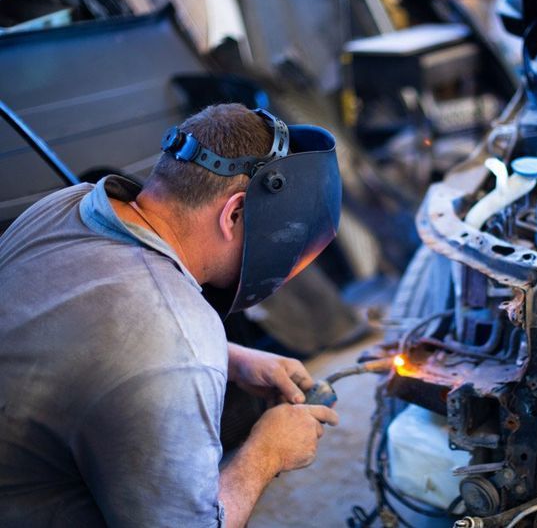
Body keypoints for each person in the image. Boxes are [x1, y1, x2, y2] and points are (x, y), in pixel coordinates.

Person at [0, 103, 342, 527]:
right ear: (234, 213)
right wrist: (267, 453)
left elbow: (83, 331)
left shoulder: (64, 207)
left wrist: (231, 357)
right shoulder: (177, 346)